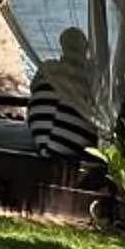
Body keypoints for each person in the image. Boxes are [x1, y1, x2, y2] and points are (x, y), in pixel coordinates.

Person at [29, 28, 102, 158]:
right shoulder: (92, 72)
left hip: (40, 132)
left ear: (62, 46)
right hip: (68, 140)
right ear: (86, 47)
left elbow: (32, 89)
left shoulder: (47, 67)